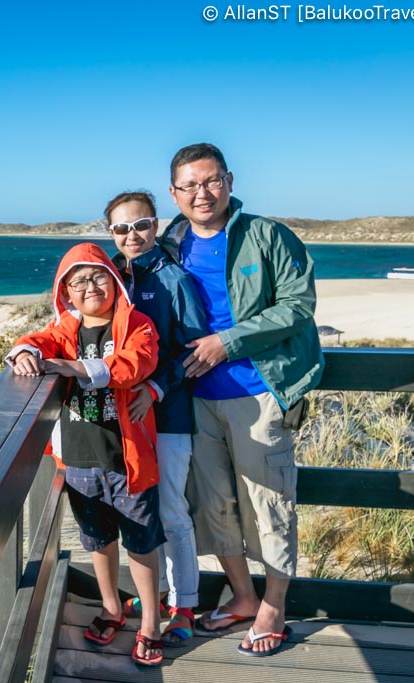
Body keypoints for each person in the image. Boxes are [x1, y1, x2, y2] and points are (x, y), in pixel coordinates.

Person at [160, 143, 323, 656]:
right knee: (215, 505)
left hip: (259, 393)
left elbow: (298, 305)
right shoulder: (170, 241)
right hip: (196, 400)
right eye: (189, 185)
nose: (201, 193)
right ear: (174, 193)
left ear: (228, 181)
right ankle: (244, 596)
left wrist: (225, 343)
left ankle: (275, 604)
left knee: (269, 501)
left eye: (210, 181)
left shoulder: (267, 235)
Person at [6, 242, 166, 666]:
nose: (89, 287)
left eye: (97, 276)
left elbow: (137, 362)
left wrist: (74, 368)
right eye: (77, 282)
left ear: (114, 282)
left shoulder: (136, 324)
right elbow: (37, 340)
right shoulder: (65, 330)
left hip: (128, 459)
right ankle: (112, 606)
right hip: (79, 459)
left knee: (141, 542)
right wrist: (26, 352)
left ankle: (150, 620)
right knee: (97, 541)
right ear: (66, 293)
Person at [105, 190, 209, 646]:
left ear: (155, 224)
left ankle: (184, 604)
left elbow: (195, 352)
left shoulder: (174, 280)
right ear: (110, 232)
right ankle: (158, 595)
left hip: (166, 415)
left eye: (142, 225)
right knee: (139, 513)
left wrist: (155, 388)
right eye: (122, 228)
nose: (132, 235)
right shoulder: (108, 275)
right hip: (122, 419)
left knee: (170, 511)